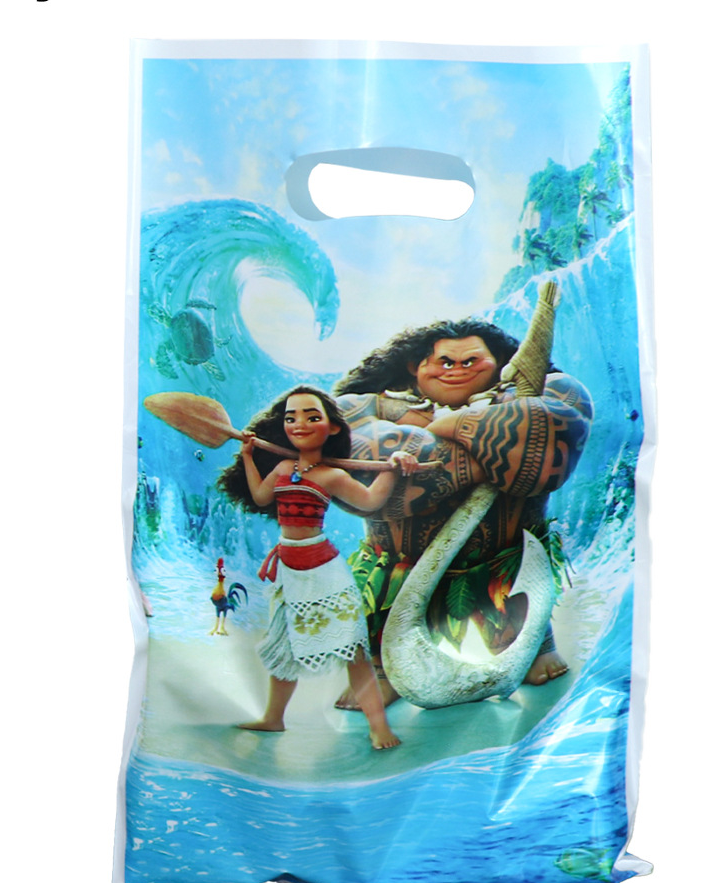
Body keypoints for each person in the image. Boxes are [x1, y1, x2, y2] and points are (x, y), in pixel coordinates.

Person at [331, 318, 592, 708]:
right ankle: (381, 672)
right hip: (401, 564)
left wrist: (451, 425)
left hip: (503, 557)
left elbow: (549, 441)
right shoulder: (359, 406)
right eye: (445, 362)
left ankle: (537, 646)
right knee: (383, 607)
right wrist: (491, 450)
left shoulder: (550, 390)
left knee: (516, 597)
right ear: (414, 366)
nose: (456, 370)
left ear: (500, 361)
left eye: (471, 361)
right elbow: (354, 465)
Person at [218, 385, 416, 749]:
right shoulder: (282, 468)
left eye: (312, 417)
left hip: (323, 571)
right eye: (291, 417)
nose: (300, 424)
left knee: (353, 651)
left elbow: (370, 501)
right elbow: (261, 497)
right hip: (289, 571)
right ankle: (273, 718)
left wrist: (394, 467)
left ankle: (378, 727)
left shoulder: (332, 476)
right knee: (284, 646)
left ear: (332, 427)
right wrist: (247, 457)